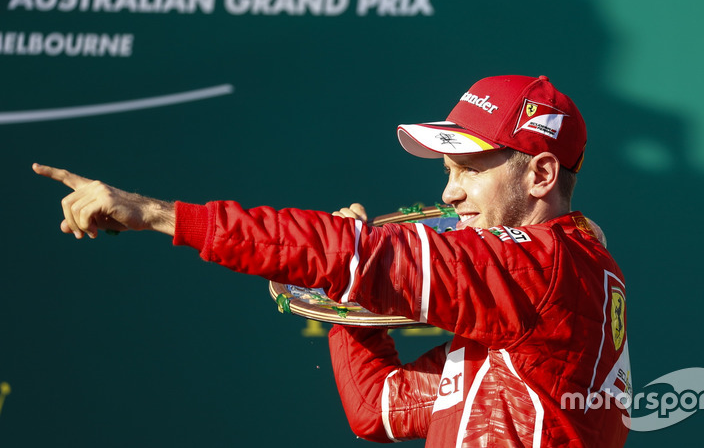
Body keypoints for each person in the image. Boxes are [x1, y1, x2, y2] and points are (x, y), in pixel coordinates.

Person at [34, 75, 631, 447]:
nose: (449, 194)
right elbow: (380, 408)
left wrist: (158, 215)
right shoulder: (549, 283)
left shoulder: (538, 268)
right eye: (446, 173)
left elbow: (352, 256)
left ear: (542, 174)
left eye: (468, 171)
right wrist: (341, 299)